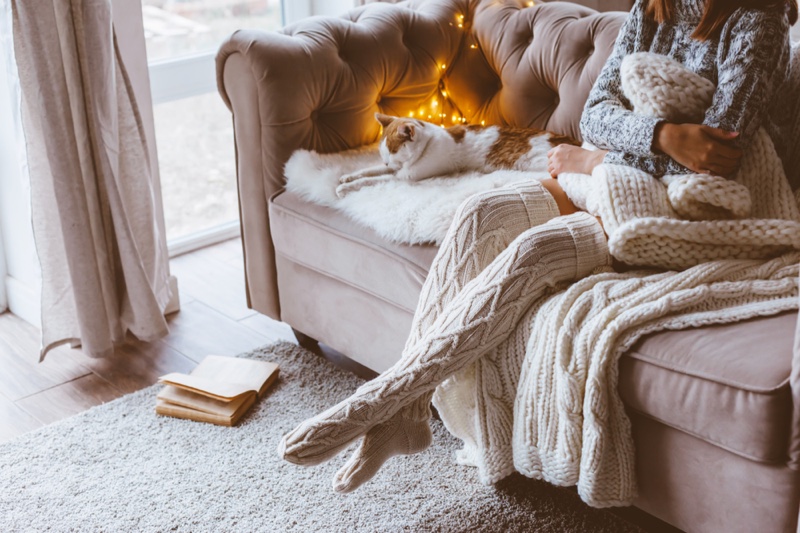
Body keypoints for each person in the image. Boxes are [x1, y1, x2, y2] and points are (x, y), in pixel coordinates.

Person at [278, 0, 797, 493]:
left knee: (532, 254)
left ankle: (387, 398)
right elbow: (597, 114)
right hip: (623, 178)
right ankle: (408, 413)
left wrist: (598, 161)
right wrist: (661, 135)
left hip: (699, 205)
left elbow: (718, 155)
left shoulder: (758, 17)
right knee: (482, 214)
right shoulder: (652, 6)